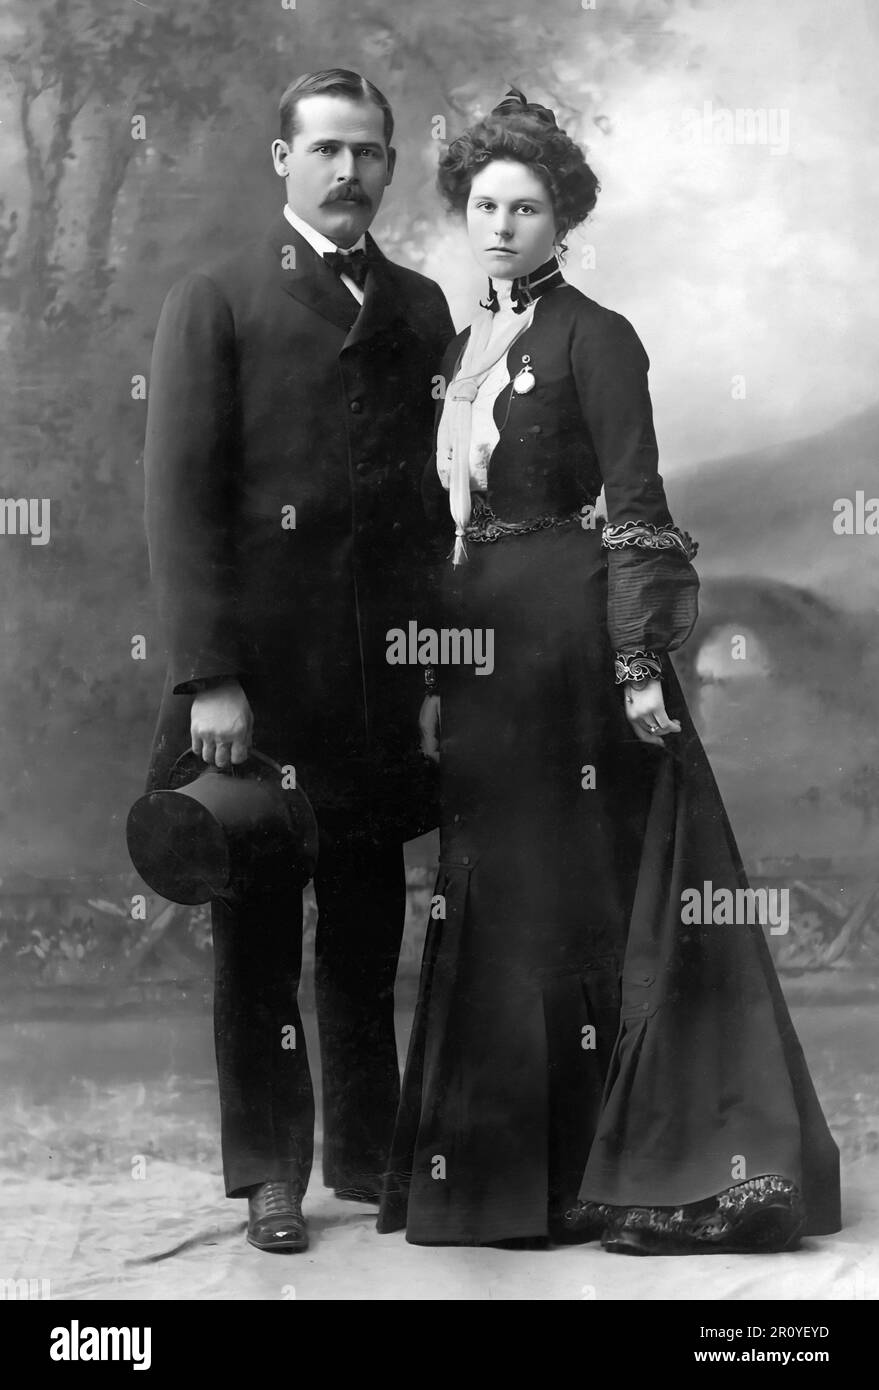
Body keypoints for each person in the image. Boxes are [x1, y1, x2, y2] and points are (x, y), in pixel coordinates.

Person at [377, 88, 841, 1253]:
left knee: (582, 888)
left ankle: (645, 1167)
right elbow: (447, 528)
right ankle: (501, 1179)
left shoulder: (599, 335)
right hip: (483, 651)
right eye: (483, 204)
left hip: (579, 646)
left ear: (561, 217)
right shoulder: (460, 346)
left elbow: (637, 509)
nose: (500, 225)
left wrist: (640, 662)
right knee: (497, 884)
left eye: (525, 207)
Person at [143, 70, 454, 1253]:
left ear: (388, 165)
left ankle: (370, 1157)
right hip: (257, 691)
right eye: (325, 149)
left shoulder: (422, 307)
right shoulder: (216, 299)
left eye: (369, 153)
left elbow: (433, 515)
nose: (348, 173)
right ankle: (272, 1171)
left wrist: (436, 667)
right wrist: (209, 673)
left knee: (370, 931)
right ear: (282, 160)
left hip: (375, 685)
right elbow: (179, 505)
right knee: (260, 940)